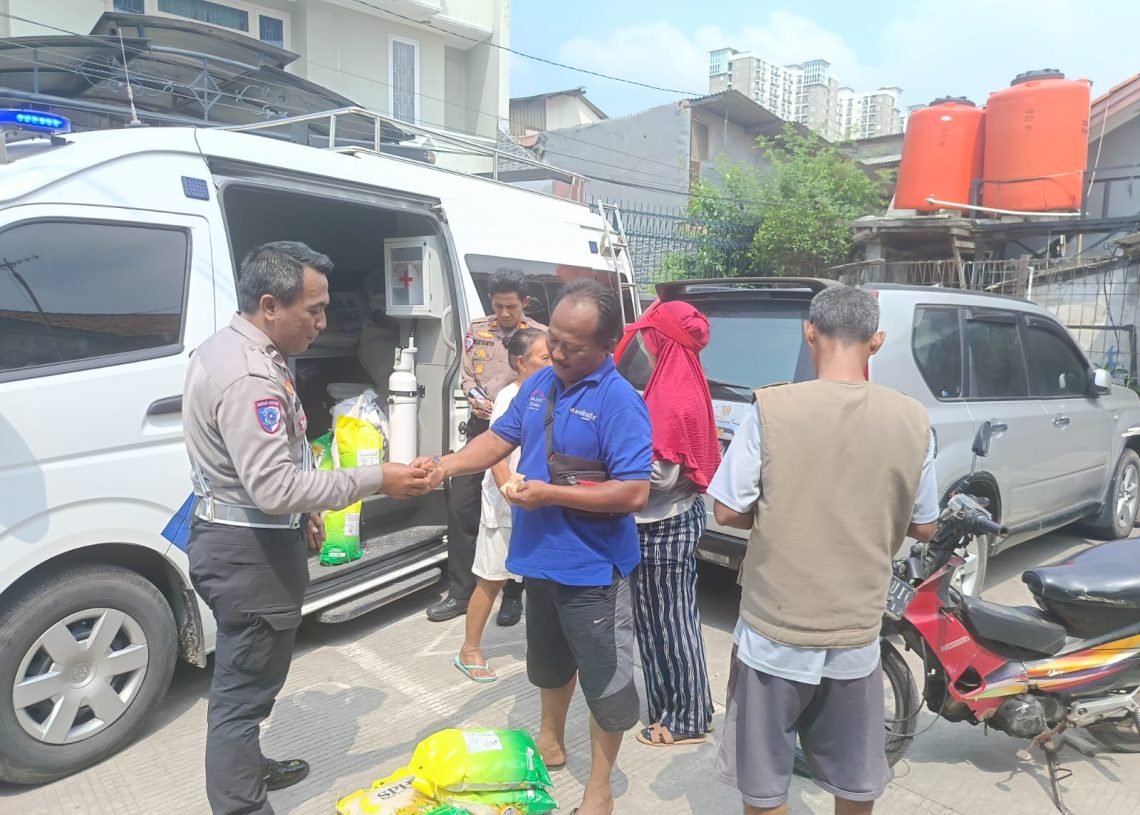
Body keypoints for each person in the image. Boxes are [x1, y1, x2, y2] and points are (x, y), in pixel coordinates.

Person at [183, 242, 431, 815]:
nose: (324, 322)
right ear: (270, 304)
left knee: (250, 682)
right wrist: (377, 478)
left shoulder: (235, 349)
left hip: (247, 538)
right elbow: (273, 488)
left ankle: (246, 766)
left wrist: (309, 509)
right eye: (313, 310)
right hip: (250, 554)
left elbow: (275, 468)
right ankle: (242, 803)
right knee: (241, 696)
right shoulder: (251, 376)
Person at [415, 280, 652, 815]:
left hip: (592, 568)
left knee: (605, 681)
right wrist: (444, 467)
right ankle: (550, 738)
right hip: (539, 559)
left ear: (606, 346)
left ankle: (600, 788)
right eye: (556, 340)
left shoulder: (620, 403)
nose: (560, 354)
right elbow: (500, 438)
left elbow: (635, 491)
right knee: (547, 663)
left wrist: (550, 493)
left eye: (573, 346)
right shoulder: (541, 383)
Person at [707, 285, 939, 815]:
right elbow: (925, 526)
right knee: (855, 781)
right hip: (856, 633)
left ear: (808, 331)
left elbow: (725, 512)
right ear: (875, 342)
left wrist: (783, 508)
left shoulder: (770, 409)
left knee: (764, 783)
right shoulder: (912, 419)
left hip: (774, 630)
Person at [613, 300, 720, 747]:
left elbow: (660, 474)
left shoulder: (673, 396)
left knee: (672, 623)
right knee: (655, 623)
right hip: (662, 521)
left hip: (664, 524)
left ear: (661, 340)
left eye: (647, 335)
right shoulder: (672, 380)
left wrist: (608, 467)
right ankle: (671, 709)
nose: (640, 341)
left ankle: (689, 718)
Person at [427, 269, 544, 625]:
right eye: (499, 306)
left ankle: (512, 595)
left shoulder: (541, 338)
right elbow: (467, 376)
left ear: (525, 303)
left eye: (511, 306)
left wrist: (507, 409)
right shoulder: (477, 330)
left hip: (522, 430)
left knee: (514, 510)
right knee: (463, 508)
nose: (505, 314)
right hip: (482, 427)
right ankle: (460, 592)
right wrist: (481, 401)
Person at [454, 328, 550, 682]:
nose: (553, 363)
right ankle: (469, 649)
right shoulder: (511, 397)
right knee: (491, 579)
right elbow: (496, 452)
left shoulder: (549, 393)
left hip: (535, 506)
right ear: (522, 363)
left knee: (539, 581)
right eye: (545, 358)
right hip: (506, 507)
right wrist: (508, 489)